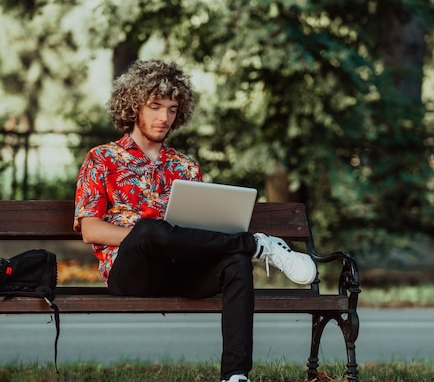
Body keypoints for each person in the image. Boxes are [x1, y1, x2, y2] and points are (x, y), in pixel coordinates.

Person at [73, 59, 316, 382]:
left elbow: (200, 230)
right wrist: (145, 236)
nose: (164, 118)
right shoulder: (102, 158)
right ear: (133, 107)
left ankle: (235, 375)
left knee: (236, 263)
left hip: (182, 269)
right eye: (155, 107)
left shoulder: (186, 167)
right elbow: (90, 229)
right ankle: (257, 244)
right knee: (149, 230)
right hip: (132, 274)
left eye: (172, 109)